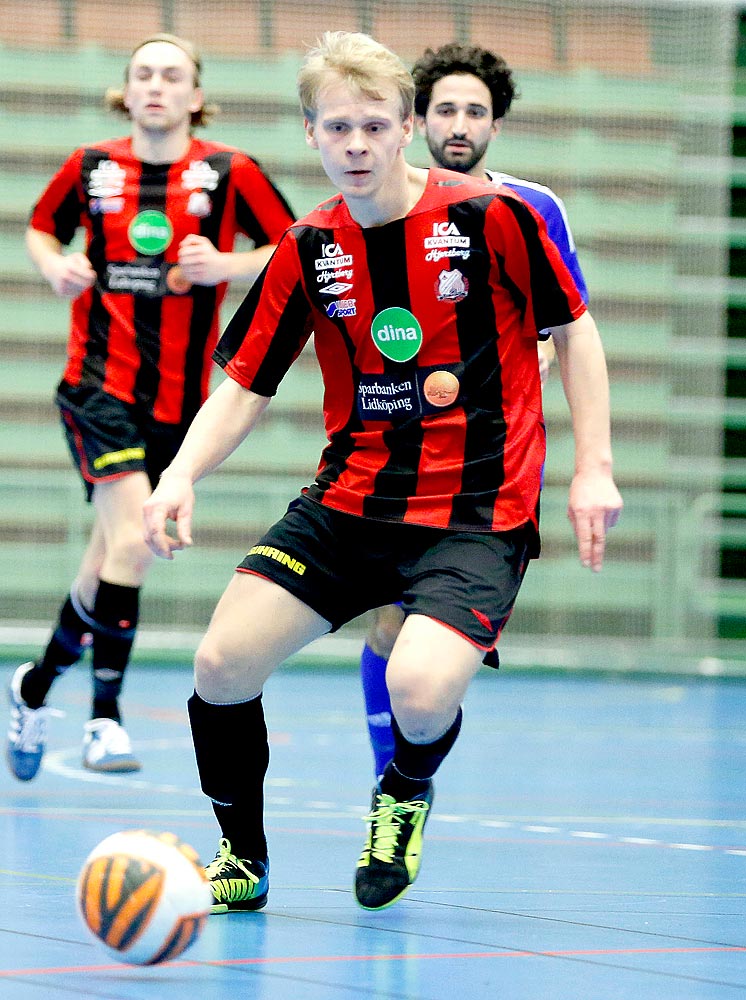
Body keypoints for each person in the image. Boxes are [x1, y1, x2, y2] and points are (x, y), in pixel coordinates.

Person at [141, 31, 621, 914]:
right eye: (336, 129)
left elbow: (575, 330)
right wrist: (179, 475)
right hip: (350, 503)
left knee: (419, 687)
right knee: (219, 668)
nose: (355, 145)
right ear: (312, 136)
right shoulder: (306, 248)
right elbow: (243, 385)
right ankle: (242, 856)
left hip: (477, 511)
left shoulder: (491, 218)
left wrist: (593, 466)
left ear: (407, 128)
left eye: (372, 126)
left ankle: (402, 787)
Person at [10, 33, 293, 781]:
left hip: (179, 405)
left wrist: (229, 263)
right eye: (144, 75)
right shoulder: (92, 167)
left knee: (107, 560)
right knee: (133, 544)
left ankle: (34, 684)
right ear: (127, 93)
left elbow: (292, 246)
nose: (158, 86)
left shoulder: (232, 172)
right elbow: (41, 227)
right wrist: (56, 266)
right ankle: (105, 720)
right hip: (97, 387)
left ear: (195, 95)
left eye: (173, 75)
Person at [358, 42, 592, 778]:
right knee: (385, 624)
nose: (459, 125)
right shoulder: (377, 203)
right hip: (393, 446)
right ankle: (387, 778)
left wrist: (541, 355)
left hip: (489, 460)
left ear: (496, 123)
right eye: (446, 110)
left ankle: (406, 774)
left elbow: (568, 319)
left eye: (475, 112)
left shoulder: (531, 207)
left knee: (428, 633)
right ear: (417, 119)